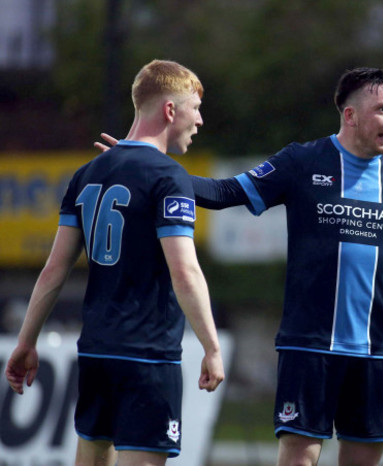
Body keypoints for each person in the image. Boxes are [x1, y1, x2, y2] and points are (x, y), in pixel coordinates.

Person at [98, 67, 383, 466]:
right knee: (298, 459)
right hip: (308, 346)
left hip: (376, 350)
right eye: (382, 109)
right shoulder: (302, 161)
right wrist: (150, 167)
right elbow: (224, 192)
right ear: (350, 115)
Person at [5, 59, 225, 465]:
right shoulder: (169, 176)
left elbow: (54, 270)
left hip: (96, 353)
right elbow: (184, 270)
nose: (200, 120)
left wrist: (25, 342)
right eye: (195, 108)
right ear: (170, 110)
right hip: (147, 356)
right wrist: (212, 346)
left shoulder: (87, 174)